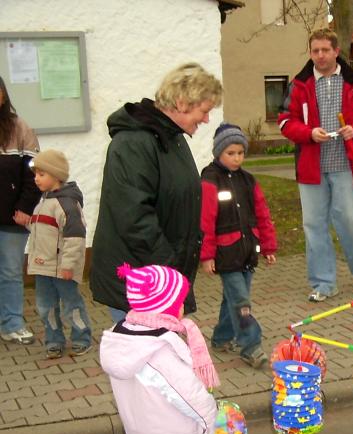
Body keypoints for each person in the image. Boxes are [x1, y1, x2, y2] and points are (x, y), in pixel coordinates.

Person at [91, 62, 222, 323]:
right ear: (183, 102)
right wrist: (170, 275)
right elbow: (134, 219)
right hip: (143, 282)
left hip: (162, 278)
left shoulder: (171, 138)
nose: (207, 119)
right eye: (204, 110)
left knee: (162, 358)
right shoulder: (133, 143)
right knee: (149, 360)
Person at [278, 28, 353, 302]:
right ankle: (324, 283)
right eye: (315, 51)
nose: (320, 56)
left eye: (325, 50)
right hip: (311, 167)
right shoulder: (299, 85)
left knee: (351, 220)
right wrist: (308, 133)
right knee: (314, 225)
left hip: (348, 164)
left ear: (336, 51)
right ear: (310, 53)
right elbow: (285, 122)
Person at [100, 263, 220, 434]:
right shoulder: (159, 350)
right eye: (180, 300)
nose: (183, 304)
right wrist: (210, 425)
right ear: (166, 307)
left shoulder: (121, 339)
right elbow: (191, 398)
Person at [200, 123, 277, 369]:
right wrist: (207, 255)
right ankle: (250, 345)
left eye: (240, 153)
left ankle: (222, 337)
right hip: (225, 254)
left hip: (247, 252)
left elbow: (262, 214)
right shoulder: (210, 179)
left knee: (232, 299)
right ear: (218, 153)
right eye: (230, 153)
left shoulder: (248, 180)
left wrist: (268, 246)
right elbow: (205, 220)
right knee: (241, 302)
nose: (236, 158)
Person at [27, 150, 92, 358]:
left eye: (41, 174)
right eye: (35, 174)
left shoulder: (67, 204)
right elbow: (43, 232)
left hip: (62, 268)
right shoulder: (42, 202)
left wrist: (68, 266)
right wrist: (27, 222)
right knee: (46, 306)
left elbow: (75, 238)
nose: (36, 179)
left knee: (71, 305)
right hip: (43, 267)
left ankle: (82, 338)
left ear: (56, 176)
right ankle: (54, 340)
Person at [0, 75, 40, 345]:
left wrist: (25, 207)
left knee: (11, 271)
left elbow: (34, 172)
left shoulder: (19, 127)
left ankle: (12, 322)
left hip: (12, 217)